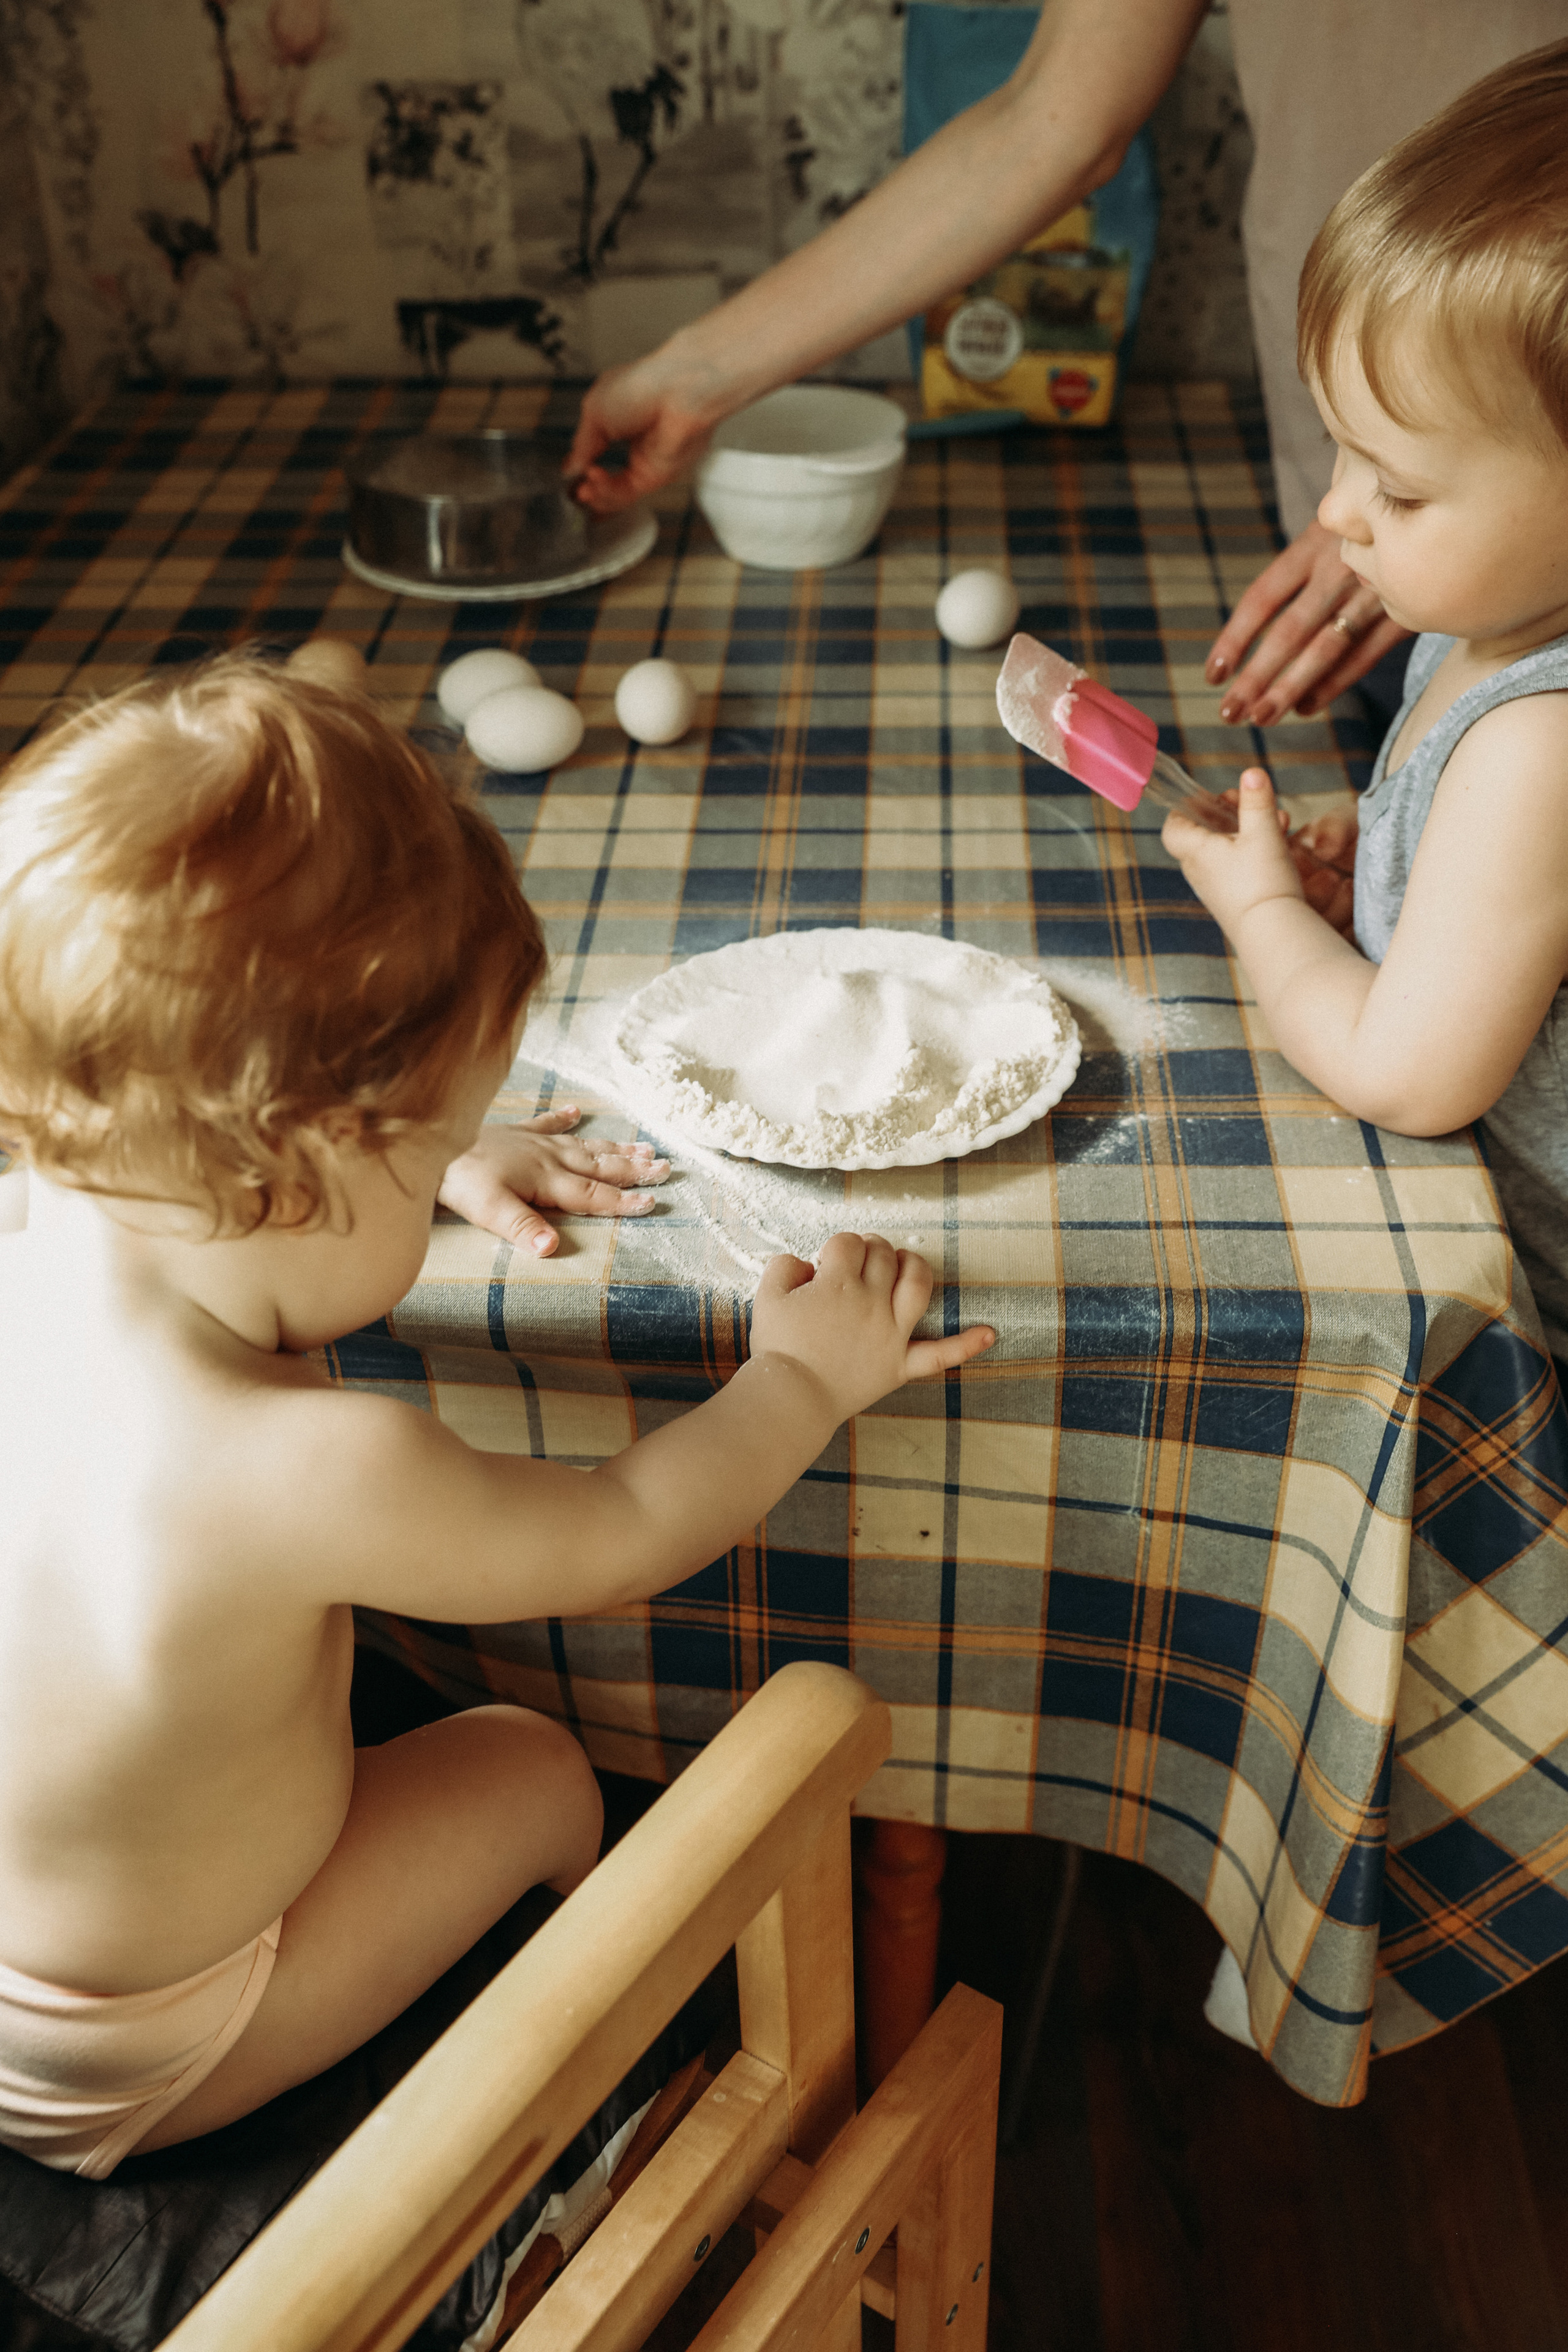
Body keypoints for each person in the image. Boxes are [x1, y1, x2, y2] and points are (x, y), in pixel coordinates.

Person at [0, 655, 994, 2177]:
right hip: (143, 2033)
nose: (464, 1158)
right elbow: (617, 1531)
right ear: (310, 1164)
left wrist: (428, 1163)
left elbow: (260, 1181)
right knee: (531, 1767)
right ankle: (622, 2087)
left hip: (38, 1925)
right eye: (441, 1139)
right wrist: (799, 1379)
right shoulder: (307, 1468)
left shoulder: (46, 1216)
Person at [565, 0, 1559, 732]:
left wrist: (1446, 504)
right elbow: (1048, 121)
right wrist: (696, 374)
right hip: (1394, 561)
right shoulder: (1372, 511)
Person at [1162, 42, 1568, 1380]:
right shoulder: (1487, 624)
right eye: (1338, 448)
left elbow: (1405, 1075)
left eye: (1392, 488)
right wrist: (1389, 851)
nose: (1335, 514)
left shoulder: (1537, 741)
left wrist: (1264, 916)